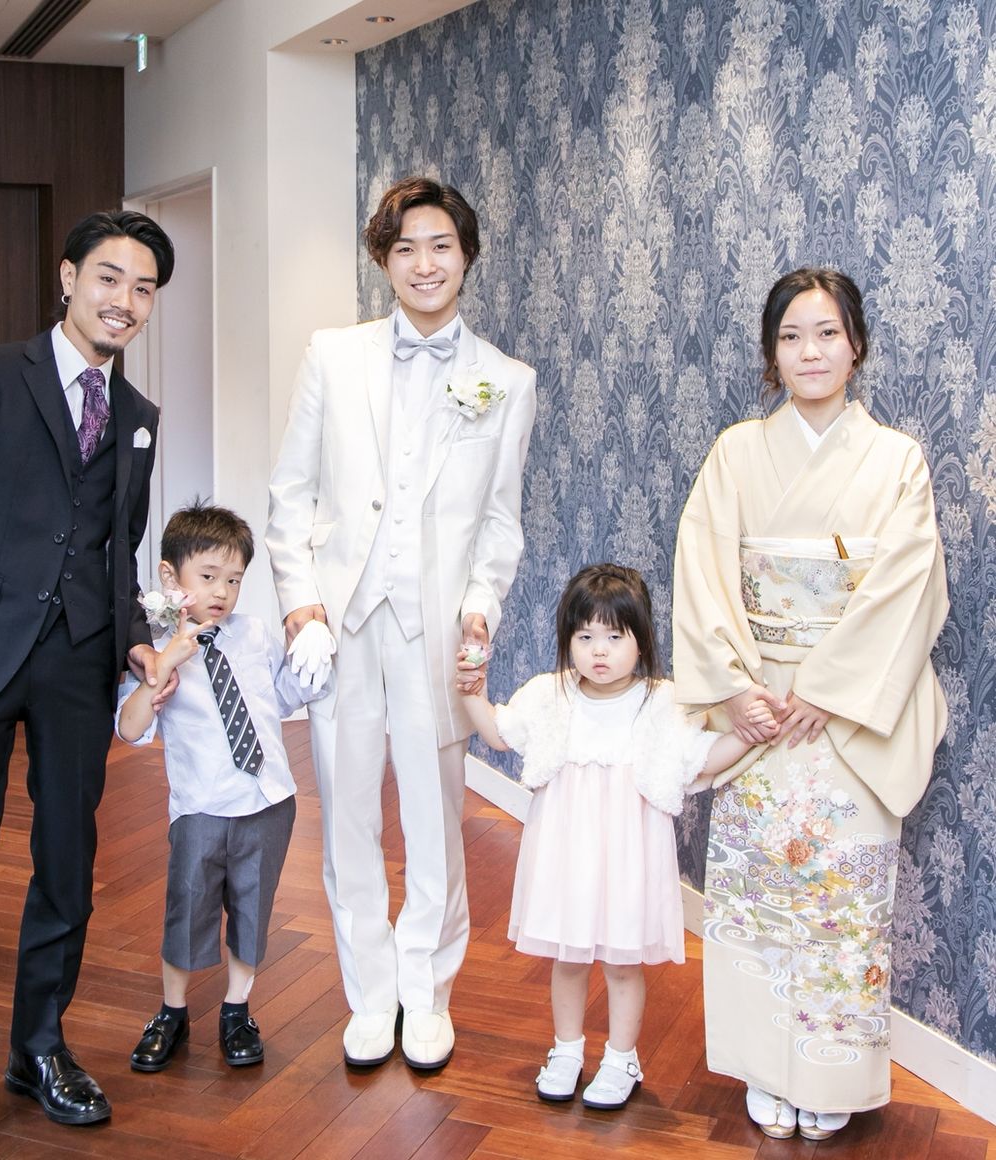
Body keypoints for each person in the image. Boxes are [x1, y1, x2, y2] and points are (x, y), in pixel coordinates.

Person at [0, 210, 175, 1160]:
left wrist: (134, 641)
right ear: (67, 278)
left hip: (77, 665)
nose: (125, 301)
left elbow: (117, 546)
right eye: (109, 278)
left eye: (144, 288)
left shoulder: (138, 418)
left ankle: (39, 1047)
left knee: (66, 865)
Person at [266, 176, 537, 1070]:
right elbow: (291, 493)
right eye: (406, 247)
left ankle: (427, 992)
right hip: (342, 622)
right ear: (384, 259)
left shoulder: (507, 381)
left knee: (436, 818)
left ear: (467, 256)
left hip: (437, 633)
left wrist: (480, 610)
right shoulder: (332, 356)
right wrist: (300, 602)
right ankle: (369, 993)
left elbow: (499, 524)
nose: (425, 264)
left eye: (441, 246)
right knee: (347, 817)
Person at [672, 268, 948, 1141]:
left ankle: (831, 1070)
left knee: (841, 901)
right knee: (756, 892)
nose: (810, 352)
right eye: (791, 336)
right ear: (771, 354)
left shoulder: (897, 460)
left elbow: (909, 586)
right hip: (760, 706)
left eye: (827, 333)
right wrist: (735, 688)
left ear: (855, 345)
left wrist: (827, 691)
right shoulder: (735, 453)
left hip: (849, 716)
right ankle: (764, 1066)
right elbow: (702, 571)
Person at [456, 563, 771, 1106]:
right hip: (567, 852)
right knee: (569, 958)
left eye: (614, 637)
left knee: (623, 964)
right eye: (584, 637)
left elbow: (701, 757)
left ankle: (622, 1057)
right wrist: (471, 692)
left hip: (629, 856)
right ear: (567, 641)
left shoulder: (663, 703)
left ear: (641, 641)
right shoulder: (550, 695)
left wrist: (748, 735)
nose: (598, 651)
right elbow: (499, 733)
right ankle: (566, 1049)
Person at [115, 503, 329, 1072]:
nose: (221, 592)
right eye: (208, 576)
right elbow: (130, 728)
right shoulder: (153, 649)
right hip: (201, 806)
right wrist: (166, 664)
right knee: (187, 909)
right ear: (170, 576)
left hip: (268, 800)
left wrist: (310, 667)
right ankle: (173, 1011)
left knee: (252, 911)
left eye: (233, 580)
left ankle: (237, 1009)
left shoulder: (253, 634)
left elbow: (278, 699)